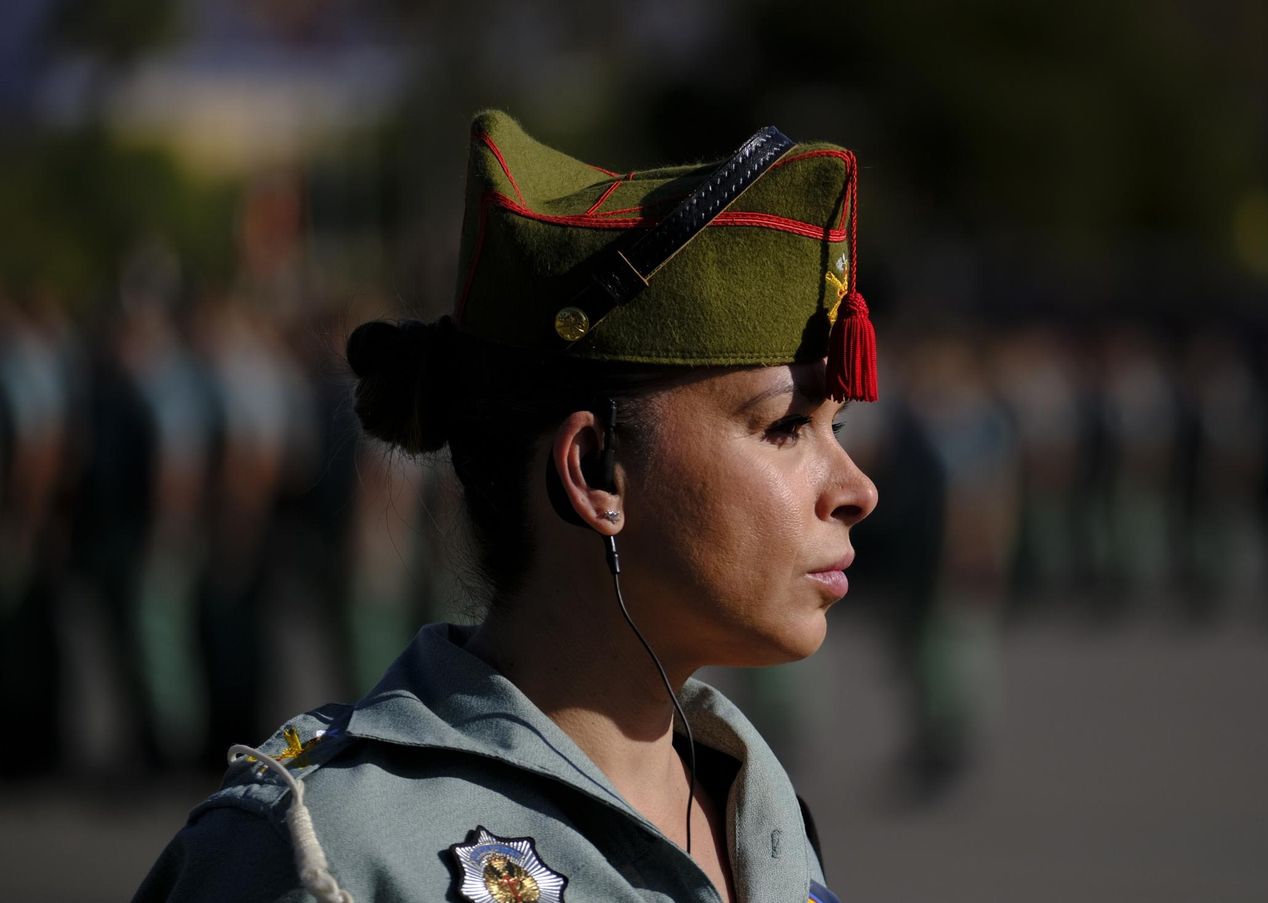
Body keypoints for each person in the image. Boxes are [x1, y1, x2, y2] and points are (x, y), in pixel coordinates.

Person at [135, 110, 879, 903]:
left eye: (836, 426)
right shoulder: (325, 853)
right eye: (787, 427)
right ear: (596, 470)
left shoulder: (759, 810)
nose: (857, 490)